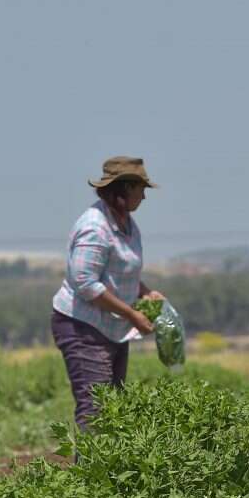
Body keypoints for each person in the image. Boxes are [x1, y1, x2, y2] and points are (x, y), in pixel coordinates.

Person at [51, 156, 164, 434]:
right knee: (96, 413)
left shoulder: (127, 224)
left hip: (111, 329)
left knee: (114, 411)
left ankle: (106, 476)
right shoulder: (95, 226)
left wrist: (145, 293)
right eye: (141, 189)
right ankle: (88, 477)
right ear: (124, 188)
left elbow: (121, 273)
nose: (144, 197)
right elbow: (85, 283)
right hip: (84, 329)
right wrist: (131, 314)